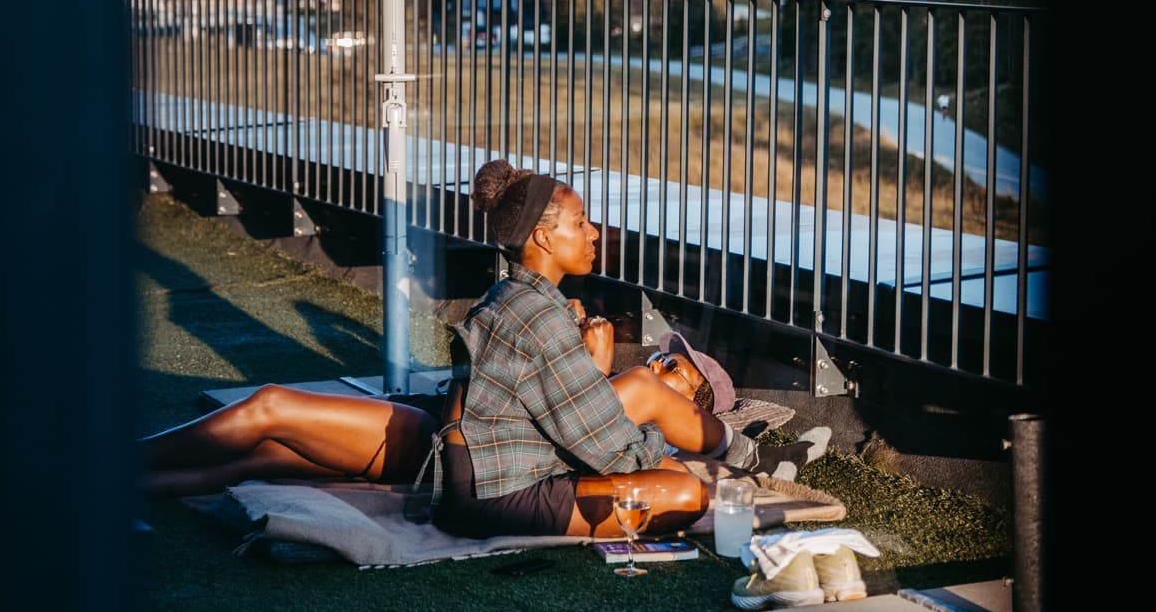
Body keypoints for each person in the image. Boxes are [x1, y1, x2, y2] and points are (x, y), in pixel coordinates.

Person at [141, 161, 732, 539]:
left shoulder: (526, 299)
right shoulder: (545, 317)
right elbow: (606, 452)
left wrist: (603, 386)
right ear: (546, 237)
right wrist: (620, 401)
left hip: (461, 451)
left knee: (268, 448)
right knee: (269, 411)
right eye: (583, 222)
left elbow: (575, 434)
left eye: (676, 368)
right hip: (482, 476)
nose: (596, 232)